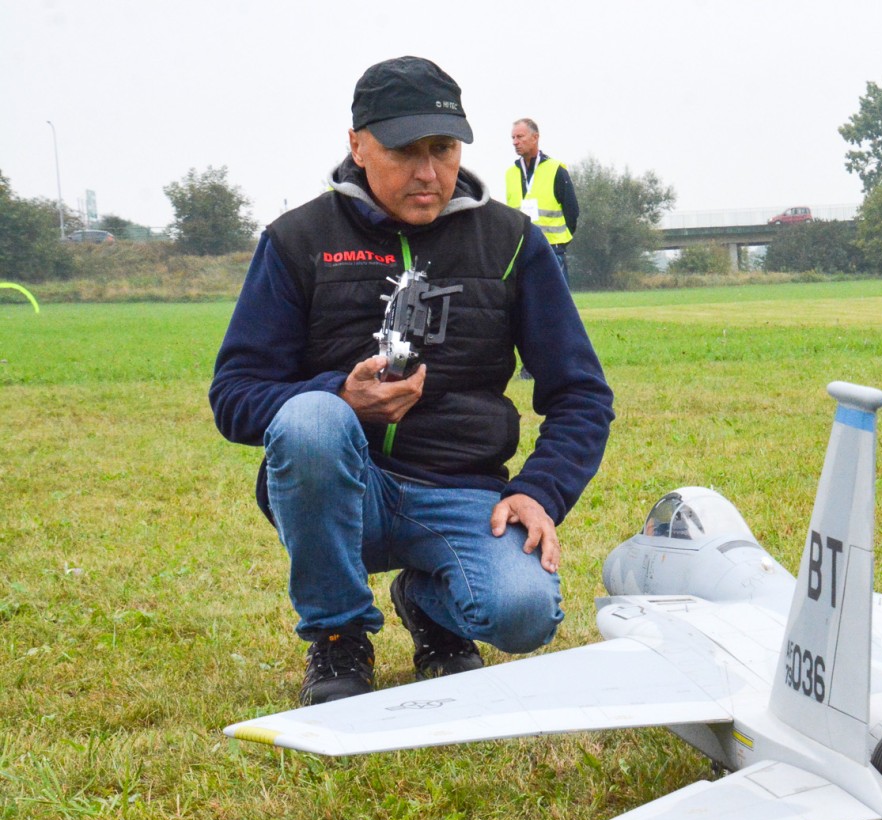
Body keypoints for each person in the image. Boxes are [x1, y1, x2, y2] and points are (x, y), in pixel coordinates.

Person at [210, 56, 614, 706]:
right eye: (405, 151)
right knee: (314, 420)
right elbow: (234, 395)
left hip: (463, 493)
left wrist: (542, 490)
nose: (428, 173)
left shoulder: (513, 242)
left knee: (523, 613)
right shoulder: (296, 240)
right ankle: (339, 638)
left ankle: (429, 605)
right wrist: (341, 397)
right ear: (358, 145)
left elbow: (581, 392)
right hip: (347, 496)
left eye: (444, 149)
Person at [505, 118, 579, 285]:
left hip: (552, 250)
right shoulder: (510, 174)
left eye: (520, 137)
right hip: (522, 252)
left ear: (535, 137)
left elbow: (572, 211)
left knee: (557, 307)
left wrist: (561, 242)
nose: (515, 142)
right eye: (513, 138)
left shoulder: (555, 169)